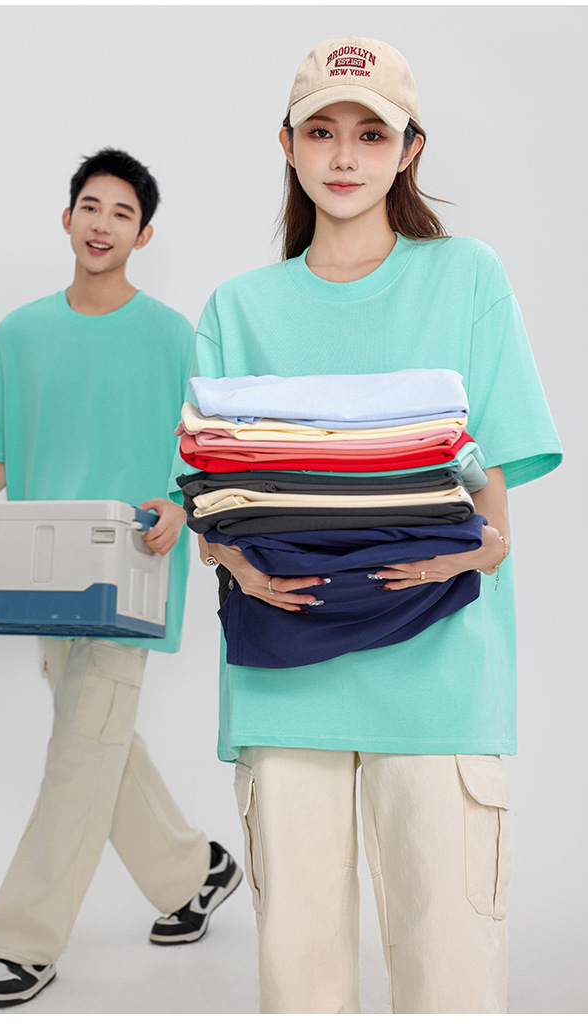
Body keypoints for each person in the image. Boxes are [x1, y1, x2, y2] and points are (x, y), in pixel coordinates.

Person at [169, 38, 561, 1014]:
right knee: (300, 987)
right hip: (283, 673)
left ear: (409, 149)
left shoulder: (467, 277)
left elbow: (496, 474)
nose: (344, 156)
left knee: (449, 985)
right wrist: (236, 563)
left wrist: (487, 546)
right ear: (288, 145)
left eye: (371, 134)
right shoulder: (238, 310)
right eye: (322, 132)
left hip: (438, 673)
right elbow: (210, 502)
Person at [0, 148, 242, 1009]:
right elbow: (2, 458)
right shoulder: (20, 333)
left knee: (78, 755)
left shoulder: (173, 336)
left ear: (143, 234)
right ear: (66, 218)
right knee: (99, 744)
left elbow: (207, 456)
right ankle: (196, 872)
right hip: (42, 572)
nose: (102, 223)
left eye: (122, 212)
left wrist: (181, 507)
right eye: (90, 206)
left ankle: (23, 941)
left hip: (131, 570)